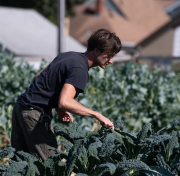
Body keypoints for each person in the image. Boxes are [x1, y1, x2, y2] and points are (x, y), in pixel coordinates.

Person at [11, 29, 121, 161]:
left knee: (20, 165)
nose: (111, 61)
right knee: (50, 166)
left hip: (20, 108)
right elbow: (65, 101)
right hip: (34, 115)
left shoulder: (68, 56)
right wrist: (97, 115)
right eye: (109, 56)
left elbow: (39, 77)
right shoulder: (80, 69)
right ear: (97, 50)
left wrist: (59, 109)